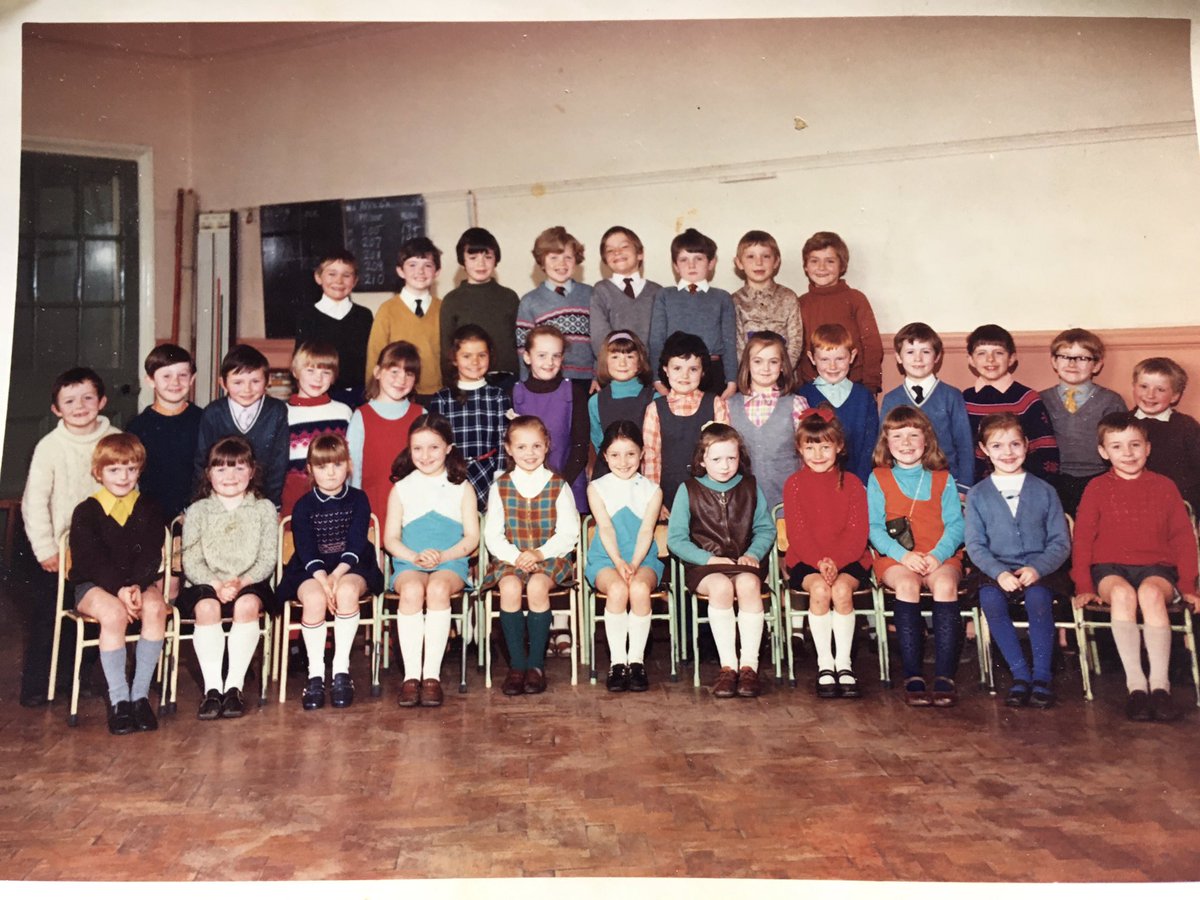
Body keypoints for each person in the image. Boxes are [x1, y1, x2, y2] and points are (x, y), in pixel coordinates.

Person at [1071, 412, 1200, 722]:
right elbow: (1083, 540)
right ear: (1103, 452)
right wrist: (1084, 586)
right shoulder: (1096, 488)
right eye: (1117, 446)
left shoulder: (1165, 487)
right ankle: (1136, 687)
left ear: (1148, 448)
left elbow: (1184, 540)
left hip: (1157, 567)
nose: (1127, 454)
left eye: (1135, 445)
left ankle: (1160, 686)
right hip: (1109, 569)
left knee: (1151, 595)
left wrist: (1188, 587)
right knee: (1123, 595)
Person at [19, 367, 120, 707]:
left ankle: (76, 678)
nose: (80, 406)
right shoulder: (50, 447)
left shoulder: (114, 441)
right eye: (70, 401)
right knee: (50, 615)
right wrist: (45, 548)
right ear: (56, 409)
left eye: (88, 398)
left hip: (103, 549)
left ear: (102, 401)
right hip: (60, 549)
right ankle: (37, 684)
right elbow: (34, 501)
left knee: (93, 617)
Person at [965, 414, 1071, 709]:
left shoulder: (1045, 491)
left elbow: (1060, 542)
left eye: (1014, 444)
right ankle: (1020, 675)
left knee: (1038, 600)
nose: (1007, 452)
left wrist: (1038, 568)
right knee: (991, 601)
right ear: (984, 450)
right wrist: (999, 573)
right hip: (995, 570)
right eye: (997, 446)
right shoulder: (978, 494)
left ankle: (1041, 676)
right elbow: (975, 544)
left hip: (1040, 569)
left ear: (1027, 446)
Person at [67, 433, 168, 734]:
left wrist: (137, 584)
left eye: (131, 468)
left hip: (138, 582)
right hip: (94, 585)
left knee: (156, 608)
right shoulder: (86, 511)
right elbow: (90, 559)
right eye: (114, 469)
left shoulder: (149, 506)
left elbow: (152, 552)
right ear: (98, 472)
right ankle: (119, 700)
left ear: (139, 470)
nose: (123, 477)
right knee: (113, 614)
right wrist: (120, 589)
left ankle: (139, 696)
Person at [276, 434, 383, 711]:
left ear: (348, 465)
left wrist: (337, 577)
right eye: (322, 467)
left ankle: (340, 671)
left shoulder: (359, 499)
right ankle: (314, 676)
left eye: (337, 465)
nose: (331, 472)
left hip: (352, 564)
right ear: (310, 469)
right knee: (314, 600)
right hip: (311, 568)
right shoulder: (303, 506)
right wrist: (324, 580)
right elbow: (307, 550)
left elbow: (357, 542)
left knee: (347, 591)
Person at [667, 423, 774, 699]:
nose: (725, 466)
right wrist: (708, 559)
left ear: (741, 458)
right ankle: (728, 666)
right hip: (705, 567)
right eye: (716, 459)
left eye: (732, 458)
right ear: (702, 460)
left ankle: (749, 666)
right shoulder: (688, 489)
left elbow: (766, 529)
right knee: (721, 588)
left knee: (750, 584)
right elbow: (676, 539)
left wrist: (753, 553)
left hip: (742, 562)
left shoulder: (750, 487)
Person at [868, 406, 965, 708]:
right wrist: (903, 555)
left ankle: (944, 675)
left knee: (945, 585)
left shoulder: (942, 478)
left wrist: (937, 556)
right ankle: (913, 675)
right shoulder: (878, 477)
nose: (906, 443)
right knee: (907, 586)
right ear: (887, 441)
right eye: (898, 436)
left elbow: (956, 524)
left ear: (927, 441)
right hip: (896, 558)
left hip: (940, 555)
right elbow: (874, 528)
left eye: (914, 435)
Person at [180, 437, 280, 720]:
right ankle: (213, 689)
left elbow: (266, 559)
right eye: (221, 469)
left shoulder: (263, 509)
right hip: (205, 582)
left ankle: (234, 687)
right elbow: (191, 559)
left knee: (246, 606)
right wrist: (215, 585)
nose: (230, 477)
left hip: (250, 582)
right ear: (208, 473)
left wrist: (240, 582)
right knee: (207, 608)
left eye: (238, 468)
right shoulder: (198, 510)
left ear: (252, 472)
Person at [384, 413, 480, 708]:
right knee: (412, 591)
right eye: (417, 449)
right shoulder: (401, 488)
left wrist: (445, 555)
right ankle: (410, 677)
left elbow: (471, 538)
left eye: (434, 448)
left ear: (448, 448)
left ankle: (431, 677)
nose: (425, 456)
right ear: (409, 450)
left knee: (438, 590)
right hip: (409, 562)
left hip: (450, 562)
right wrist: (414, 556)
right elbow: (390, 539)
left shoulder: (462, 487)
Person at [480, 416, 580, 696]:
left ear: (547, 446)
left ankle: (536, 665)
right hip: (510, 558)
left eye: (536, 445)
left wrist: (539, 553)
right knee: (510, 586)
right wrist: (516, 556)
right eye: (521, 447)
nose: (530, 453)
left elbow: (568, 533)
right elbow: (493, 534)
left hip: (550, 558)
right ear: (509, 449)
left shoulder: (558, 485)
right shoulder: (500, 486)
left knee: (537, 586)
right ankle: (517, 666)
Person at [782, 409, 871, 699]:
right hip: (807, 561)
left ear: (839, 446)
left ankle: (844, 665)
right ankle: (825, 665)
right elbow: (798, 533)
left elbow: (857, 533)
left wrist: (837, 562)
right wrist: (820, 562)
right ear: (800, 448)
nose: (818, 454)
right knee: (820, 590)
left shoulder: (853, 483)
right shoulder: (794, 484)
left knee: (842, 591)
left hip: (850, 560)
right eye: (810, 447)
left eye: (825, 446)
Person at [585, 420, 664, 693]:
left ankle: (636, 662)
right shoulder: (597, 488)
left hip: (642, 558)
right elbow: (605, 527)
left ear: (642, 454)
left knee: (640, 589)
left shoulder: (652, 490)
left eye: (631, 453)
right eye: (615, 454)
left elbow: (645, 531)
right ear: (605, 456)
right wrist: (619, 562)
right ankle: (618, 663)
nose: (623, 461)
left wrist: (633, 562)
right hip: (607, 557)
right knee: (618, 590)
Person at [641, 331, 730, 517]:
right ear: (665, 369)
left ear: (703, 371)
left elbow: (724, 454)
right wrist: (654, 503)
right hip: (668, 497)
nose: (685, 375)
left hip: (709, 496)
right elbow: (651, 459)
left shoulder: (715, 404)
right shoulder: (655, 409)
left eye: (693, 369)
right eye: (677, 368)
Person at [1038, 328, 1126, 517]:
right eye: (1065, 356)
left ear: (1097, 365)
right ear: (1054, 361)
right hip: (1054, 478)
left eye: (1082, 358)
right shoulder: (1040, 400)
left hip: (1099, 477)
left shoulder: (1111, 401)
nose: (1072, 363)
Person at [880, 322, 975, 492]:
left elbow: (964, 443)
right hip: (904, 484)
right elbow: (883, 446)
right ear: (899, 358)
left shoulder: (951, 395)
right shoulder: (891, 399)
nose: (918, 359)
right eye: (910, 352)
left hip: (947, 482)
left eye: (925, 352)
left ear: (937, 357)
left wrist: (963, 486)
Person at [193, 344, 289, 509]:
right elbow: (202, 461)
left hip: (262, 502)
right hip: (220, 499)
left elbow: (279, 463)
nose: (247, 389)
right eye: (238, 382)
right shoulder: (213, 412)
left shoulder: (276, 411)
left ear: (268, 381)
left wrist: (273, 505)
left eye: (255, 381)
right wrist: (201, 502)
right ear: (223, 383)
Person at [428, 325, 513, 510]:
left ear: (490, 356)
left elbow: (503, 440)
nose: (475, 361)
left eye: (481, 355)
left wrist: (500, 477)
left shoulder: (498, 396)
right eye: (467, 356)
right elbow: (436, 442)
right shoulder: (442, 399)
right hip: (452, 474)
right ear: (454, 359)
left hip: (488, 474)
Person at [963, 324, 1059, 484]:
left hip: (1022, 484)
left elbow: (1045, 448)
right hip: (977, 488)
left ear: (1012, 358)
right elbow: (963, 449)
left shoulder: (1026, 399)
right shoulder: (965, 399)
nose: (990, 359)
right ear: (971, 360)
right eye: (981, 353)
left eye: (998, 353)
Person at [648, 228, 737, 398]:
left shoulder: (722, 298)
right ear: (675, 265)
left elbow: (729, 343)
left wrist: (732, 381)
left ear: (711, 263)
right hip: (675, 374)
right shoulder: (665, 296)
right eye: (684, 260)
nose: (691, 265)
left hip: (712, 373)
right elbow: (656, 340)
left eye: (698, 258)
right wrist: (657, 379)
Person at [727, 330, 807, 515]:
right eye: (758, 361)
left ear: (782, 366)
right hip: (743, 505)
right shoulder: (729, 406)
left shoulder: (795, 403)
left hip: (787, 502)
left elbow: (807, 456)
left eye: (773, 362)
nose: (766, 368)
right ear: (747, 364)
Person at [347, 341, 424, 530]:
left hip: (413, 508)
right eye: (394, 371)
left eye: (409, 373)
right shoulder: (361, 416)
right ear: (378, 372)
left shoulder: (421, 414)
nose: (401, 379)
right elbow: (353, 469)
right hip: (373, 507)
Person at [794, 231, 884, 394]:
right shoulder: (800, 303)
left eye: (830, 261)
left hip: (854, 385)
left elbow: (872, 345)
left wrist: (870, 385)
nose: (821, 267)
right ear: (806, 267)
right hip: (812, 388)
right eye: (815, 261)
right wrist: (799, 387)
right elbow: (797, 349)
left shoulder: (856, 299)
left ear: (842, 266)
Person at [127, 343, 204, 522]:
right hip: (150, 516)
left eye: (182, 375)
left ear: (192, 378)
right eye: (166, 376)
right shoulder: (138, 427)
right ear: (150, 380)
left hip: (197, 515)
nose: (175, 383)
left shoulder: (204, 420)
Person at [440, 227, 521, 393]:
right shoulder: (452, 300)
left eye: (488, 257)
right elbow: (446, 350)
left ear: (496, 260)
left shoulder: (509, 297)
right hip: (467, 380)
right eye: (473, 257)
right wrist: (451, 386)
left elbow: (520, 343)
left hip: (508, 380)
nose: (481, 263)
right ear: (463, 261)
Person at [797, 323, 878, 486]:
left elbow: (870, 445)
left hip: (857, 482)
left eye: (840, 359)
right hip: (815, 483)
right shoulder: (802, 396)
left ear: (852, 356)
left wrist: (861, 482)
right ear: (812, 358)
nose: (832, 367)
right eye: (824, 359)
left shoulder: (864, 396)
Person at [365, 237, 444, 398]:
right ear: (400, 271)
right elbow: (374, 354)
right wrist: (373, 394)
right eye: (412, 265)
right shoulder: (387, 310)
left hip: (438, 392)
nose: (420, 272)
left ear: (437, 272)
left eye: (427, 265)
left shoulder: (444, 308)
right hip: (398, 393)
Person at [293, 249, 373, 407]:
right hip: (320, 393)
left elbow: (370, 359)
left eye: (346, 275)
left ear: (355, 280)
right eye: (332, 274)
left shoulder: (364, 316)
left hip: (359, 395)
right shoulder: (307, 316)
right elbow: (301, 361)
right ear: (318, 277)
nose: (339, 281)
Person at [281, 341, 351, 517]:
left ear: (334, 377)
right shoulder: (282, 413)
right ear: (295, 372)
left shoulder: (343, 412)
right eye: (310, 370)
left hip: (336, 499)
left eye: (325, 372)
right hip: (294, 498)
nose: (318, 379)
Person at [516, 226, 594, 384]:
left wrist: (599, 375)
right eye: (553, 257)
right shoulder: (530, 301)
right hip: (548, 379)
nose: (562, 263)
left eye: (568, 257)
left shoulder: (592, 295)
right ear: (542, 262)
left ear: (576, 260)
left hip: (588, 380)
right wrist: (526, 385)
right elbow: (523, 348)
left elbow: (601, 340)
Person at [1130, 356, 1200, 514]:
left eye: (1160, 389)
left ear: (1175, 396)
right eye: (1143, 386)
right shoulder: (1122, 423)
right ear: (1134, 387)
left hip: (1177, 502)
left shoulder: (1186, 426)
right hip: (1132, 502)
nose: (1150, 395)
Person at [730, 229, 803, 372]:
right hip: (749, 380)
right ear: (739, 262)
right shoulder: (734, 301)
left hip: (784, 379)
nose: (759, 262)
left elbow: (796, 341)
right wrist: (748, 375)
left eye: (766, 256)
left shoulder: (788, 297)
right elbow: (737, 346)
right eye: (751, 256)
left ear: (776, 261)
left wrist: (783, 372)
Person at [588, 330, 656, 481]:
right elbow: (598, 440)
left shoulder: (653, 398)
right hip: (609, 474)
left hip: (644, 474)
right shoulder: (595, 401)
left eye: (630, 356)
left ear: (639, 362)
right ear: (605, 361)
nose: (622, 363)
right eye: (615, 356)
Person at [589, 226, 661, 355]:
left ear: (640, 254)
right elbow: (599, 336)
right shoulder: (601, 291)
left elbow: (660, 336)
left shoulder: (657, 292)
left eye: (624, 247)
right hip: (613, 369)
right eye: (610, 250)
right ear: (605, 260)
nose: (617, 252)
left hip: (650, 370)